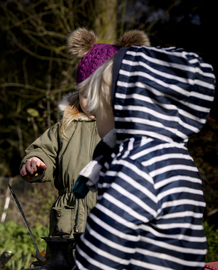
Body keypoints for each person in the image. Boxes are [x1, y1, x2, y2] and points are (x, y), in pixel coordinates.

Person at [74, 31, 215, 269]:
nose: (95, 116)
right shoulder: (179, 158)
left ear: (124, 109)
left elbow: (107, 240)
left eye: (99, 110)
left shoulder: (135, 162)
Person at [19, 28, 149, 241]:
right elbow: (44, 150)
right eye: (87, 95)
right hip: (68, 227)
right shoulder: (66, 128)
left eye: (102, 96)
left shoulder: (130, 131)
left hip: (114, 224)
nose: (94, 103)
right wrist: (36, 162)